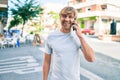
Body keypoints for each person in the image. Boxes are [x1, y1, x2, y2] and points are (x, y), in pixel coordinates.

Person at [43, 6, 95, 80]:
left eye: (70, 17)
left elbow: (91, 59)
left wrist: (80, 37)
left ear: (74, 20)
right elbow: (46, 61)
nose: (67, 19)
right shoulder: (51, 37)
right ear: (60, 17)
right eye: (64, 16)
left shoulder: (78, 36)